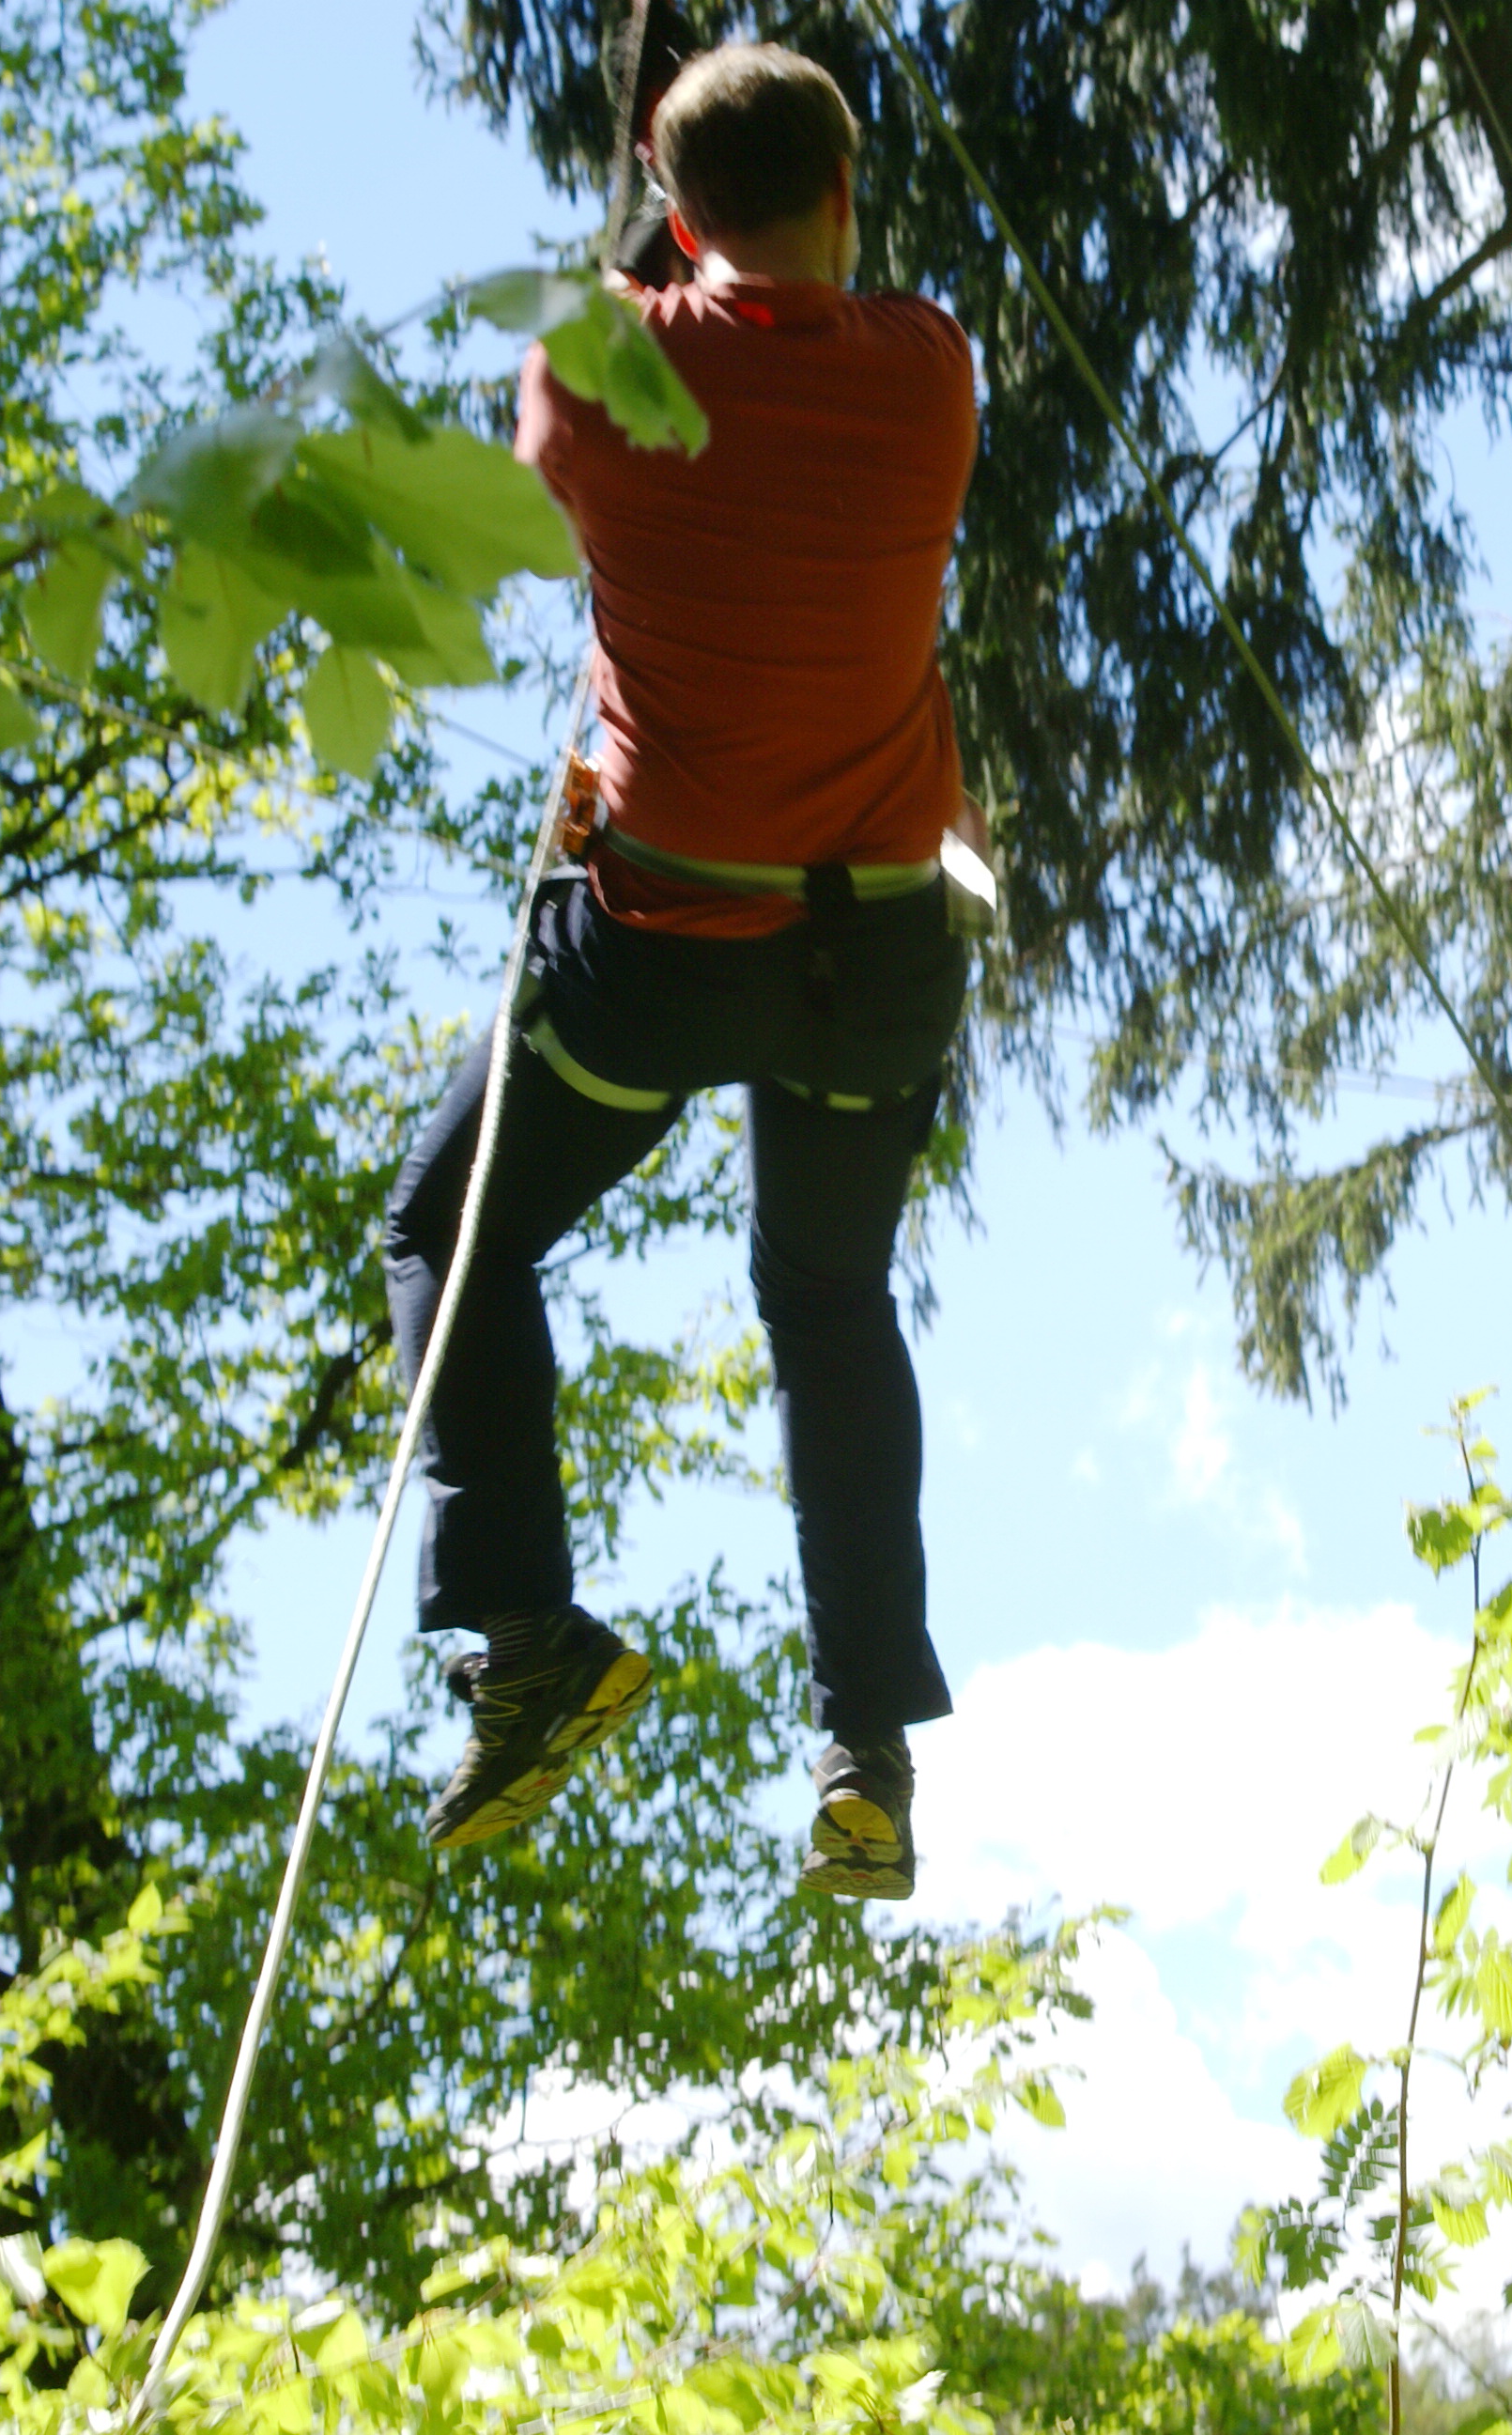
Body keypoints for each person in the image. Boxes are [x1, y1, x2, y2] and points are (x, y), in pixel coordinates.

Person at [380, 39, 979, 1900]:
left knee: (448, 1230)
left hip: (660, 954)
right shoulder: (927, 375)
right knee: (826, 1305)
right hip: (869, 962)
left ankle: (529, 1640)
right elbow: (776, 306)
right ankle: (863, 1744)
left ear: (665, 195)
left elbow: (615, 340)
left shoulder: (590, 378)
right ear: (847, 189)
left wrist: (646, 220)